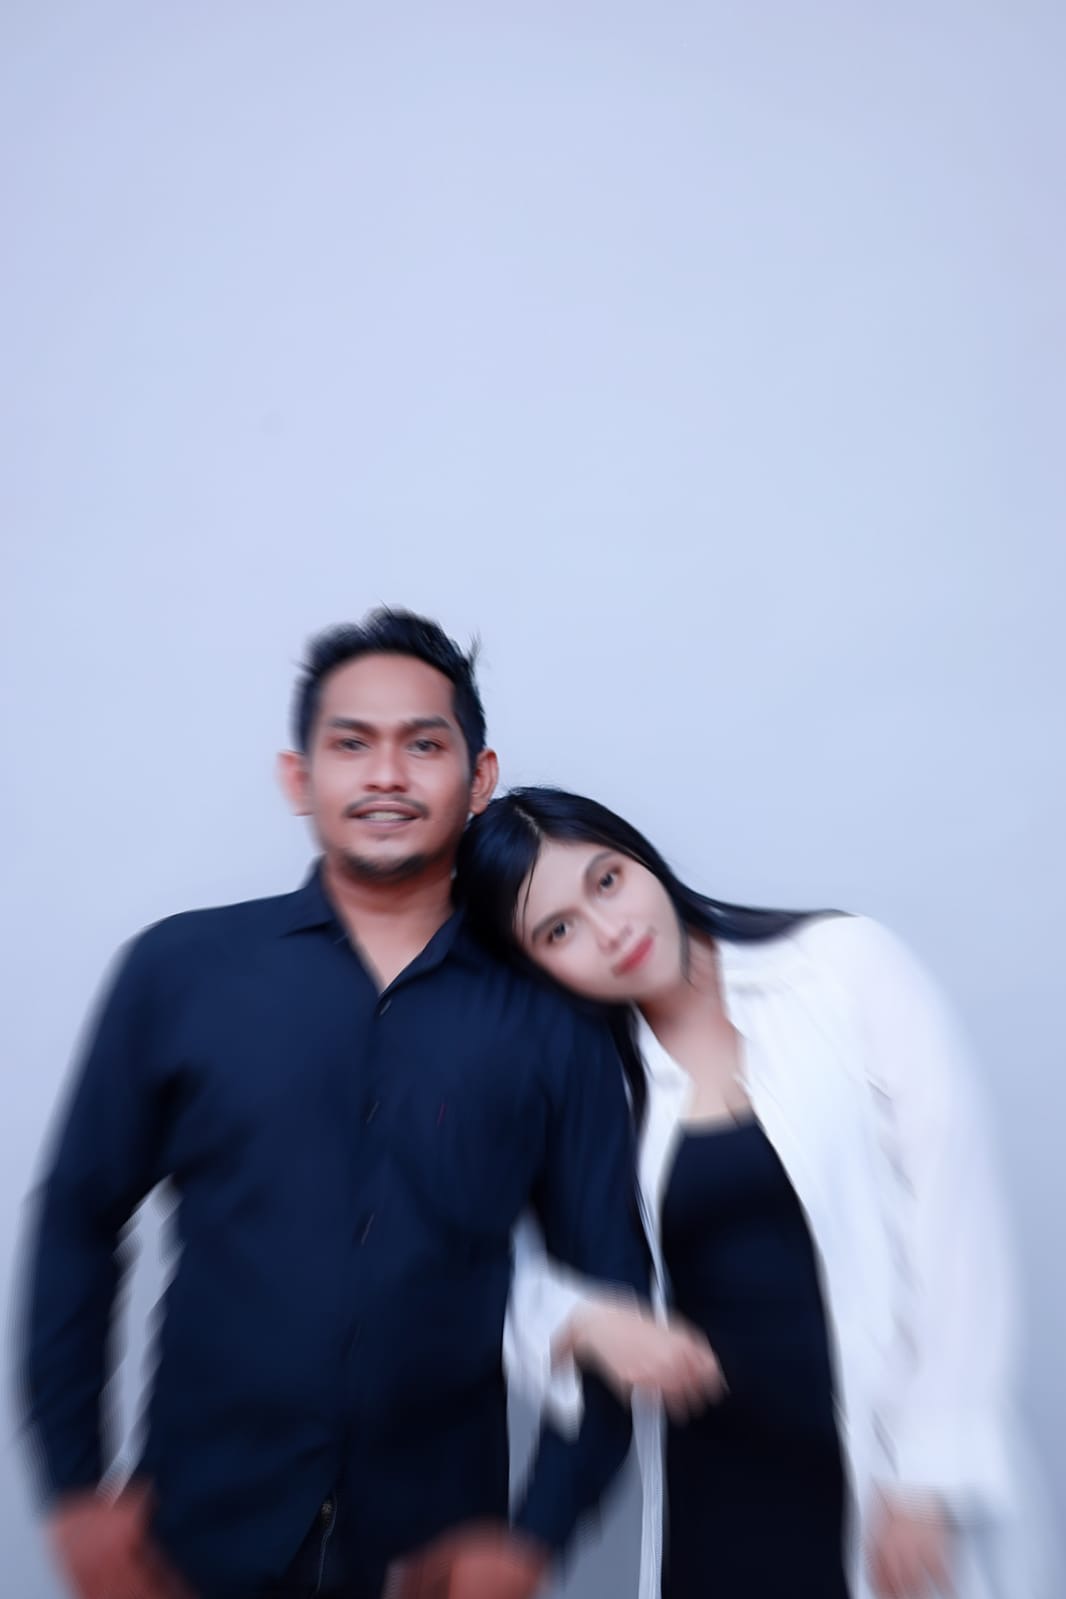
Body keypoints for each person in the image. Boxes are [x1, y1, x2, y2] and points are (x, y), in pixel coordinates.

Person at [17, 613, 713, 1599]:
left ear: (478, 777)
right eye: (351, 744)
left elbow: (610, 1293)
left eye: (423, 744)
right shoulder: (179, 972)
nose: (387, 775)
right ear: (299, 776)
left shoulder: (555, 1022)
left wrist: (538, 1534)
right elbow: (78, 1222)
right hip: (191, 1539)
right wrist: (75, 1486)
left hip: (432, 1557)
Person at [455, 786, 1052, 1599]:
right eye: (559, 930)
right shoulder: (587, 1085)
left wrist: (927, 1477)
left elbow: (958, 1232)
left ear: (639, 856)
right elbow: (474, 1266)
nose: (611, 929)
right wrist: (582, 1319)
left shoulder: (843, 966)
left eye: (607, 880)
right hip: (715, 1494)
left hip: (887, 1483)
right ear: (534, 964)